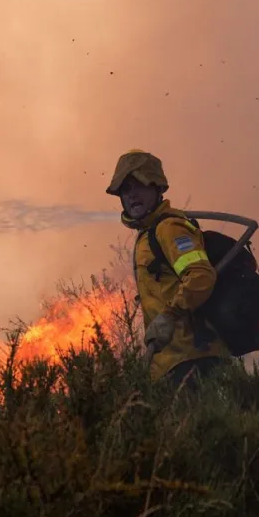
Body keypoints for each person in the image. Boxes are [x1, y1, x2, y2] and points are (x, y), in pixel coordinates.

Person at [106, 148, 232, 389]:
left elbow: (200, 275)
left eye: (139, 186)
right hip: (171, 365)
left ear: (157, 187)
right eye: (126, 189)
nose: (132, 195)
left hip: (194, 360)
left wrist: (170, 315)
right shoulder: (148, 234)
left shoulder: (169, 228)